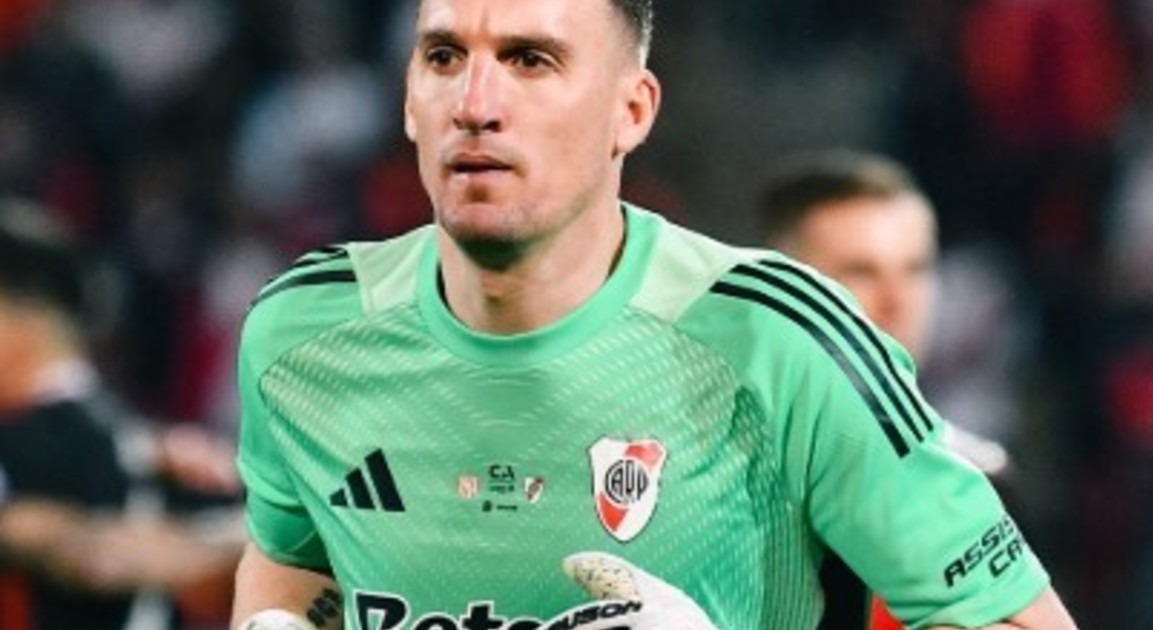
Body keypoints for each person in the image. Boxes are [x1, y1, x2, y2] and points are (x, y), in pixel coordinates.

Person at [231, 1, 1079, 629]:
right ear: (409, 101)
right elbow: (292, 575)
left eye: (531, 60)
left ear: (630, 112)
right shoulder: (304, 335)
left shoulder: (781, 339)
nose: (475, 102)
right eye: (445, 56)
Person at [758, 150, 1021, 630]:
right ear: (784, 286)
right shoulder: (700, 465)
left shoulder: (976, 483)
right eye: (860, 271)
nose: (897, 300)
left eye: (916, 269)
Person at [0, 198, 245, 630]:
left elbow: (92, 558)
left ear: (21, 316)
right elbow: (90, 557)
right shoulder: (164, 447)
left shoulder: (160, 449)